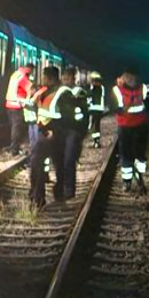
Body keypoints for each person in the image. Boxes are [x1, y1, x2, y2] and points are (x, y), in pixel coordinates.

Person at [29, 66, 79, 204]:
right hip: (44, 134)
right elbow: (36, 108)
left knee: (59, 166)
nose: (42, 79)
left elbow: (69, 118)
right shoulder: (43, 92)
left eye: (44, 77)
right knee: (37, 164)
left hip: (58, 136)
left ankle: (58, 193)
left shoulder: (64, 93)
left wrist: (55, 131)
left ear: (50, 78)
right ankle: (38, 196)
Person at [112, 66, 149, 193]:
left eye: (134, 77)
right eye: (128, 76)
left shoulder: (144, 88)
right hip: (125, 126)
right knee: (126, 154)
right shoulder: (117, 90)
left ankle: (140, 176)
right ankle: (127, 182)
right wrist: (124, 107)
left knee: (140, 154)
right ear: (123, 77)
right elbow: (115, 107)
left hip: (141, 125)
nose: (131, 80)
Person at [58, 67, 86, 199]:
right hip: (60, 130)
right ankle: (62, 187)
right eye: (64, 77)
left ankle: (69, 189)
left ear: (74, 79)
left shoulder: (79, 93)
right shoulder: (60, 92)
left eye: (68, 78)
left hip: (73, 131)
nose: (65, 80)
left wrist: (81, 133)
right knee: (60, 160)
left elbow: (84, 116)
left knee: (69, 160)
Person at [3, 62, 34, 156]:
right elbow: (31, 88)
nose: (32, 72)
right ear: (28, 69)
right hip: (17, 105)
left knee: (13, 127)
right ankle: (14, 149)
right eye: (31, 70)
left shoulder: (15, 74)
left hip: (9, 104)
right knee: (17, 128)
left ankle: (13, 146)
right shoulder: (23, 77)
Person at [86, 72, 107, 148]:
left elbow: (89, 96)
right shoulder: (102, 88)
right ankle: (96, 141)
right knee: (96, 125)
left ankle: (96, 142)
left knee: (94, 125)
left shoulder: (94, 88)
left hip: (94, 109)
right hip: (99, 109)